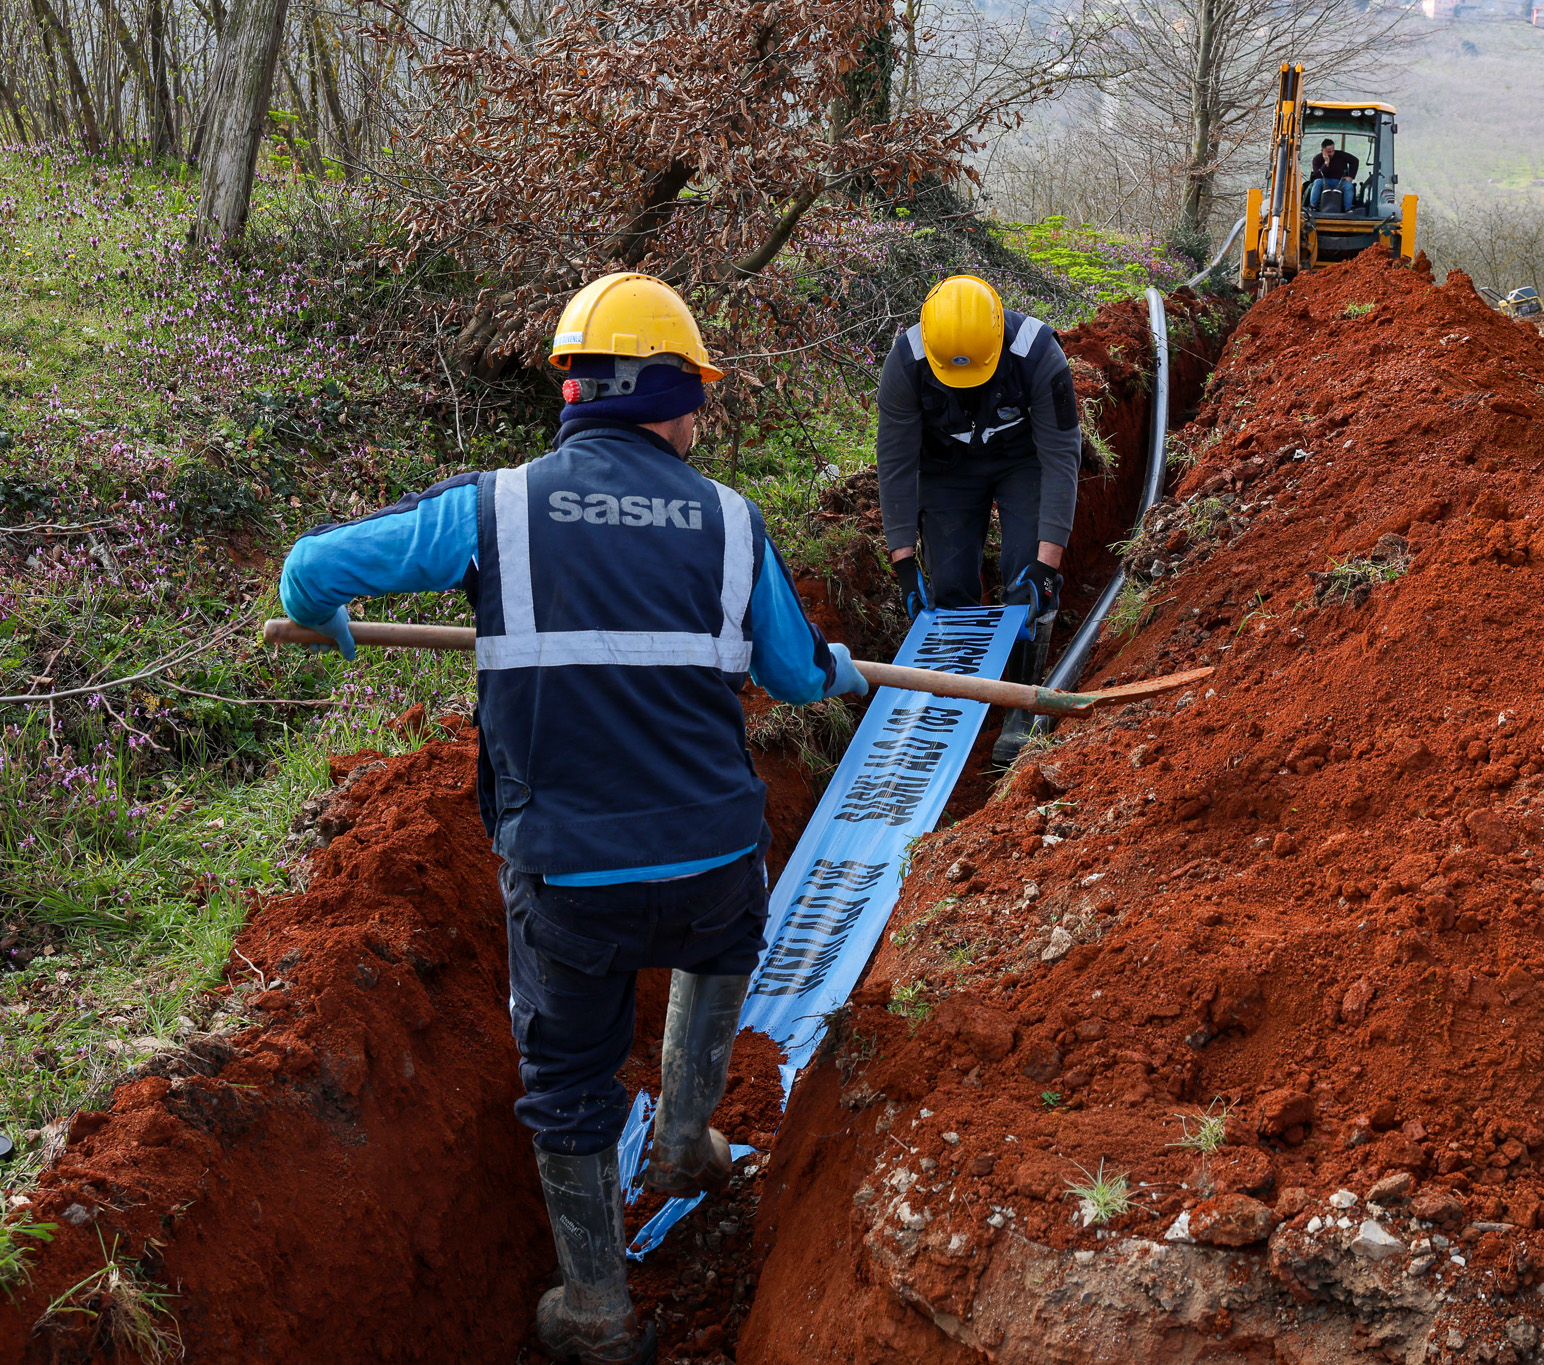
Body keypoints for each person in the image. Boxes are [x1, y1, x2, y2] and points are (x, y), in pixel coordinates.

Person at [276, 272, 867, 1365]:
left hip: (570, 874)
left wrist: (331, 623)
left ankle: (596, 1309)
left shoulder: (490, 508)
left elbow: (309, 571)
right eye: (696, 391)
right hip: (714, 858)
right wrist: (834, 669)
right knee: (718, 943)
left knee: (568, 1081)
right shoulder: (731, 523)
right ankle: (687, 1142)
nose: (700, 415)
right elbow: (790, 673)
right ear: (660, 390)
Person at [873, 274, 1081, 760]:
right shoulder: (905, 363)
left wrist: (1046, 567)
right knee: (949, 588)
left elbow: (1060, 456)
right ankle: (957, 706)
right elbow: (896, 464)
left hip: (1021, 461)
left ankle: (1022, 703)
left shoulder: (1038, 353)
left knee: (1024, 577)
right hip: (946, 468)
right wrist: (905, 566)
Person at [1308, 138, 1361, 211]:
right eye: (1328, 152)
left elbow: (1355, 161)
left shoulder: (1341, 155)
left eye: (1332, 151)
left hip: (1340, 182)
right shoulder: (1317, 159)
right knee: (1317, 183)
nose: (1331, 153)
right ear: (1322, 151)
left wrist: (1351, 176)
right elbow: (1318, 176)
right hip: (1324, 181)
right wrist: (1326, 163)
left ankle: (1348, 209)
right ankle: (1313, 206)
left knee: (1349, 186)